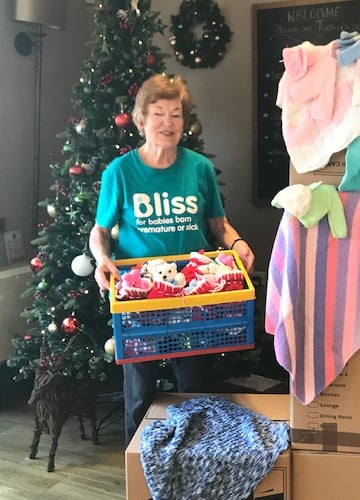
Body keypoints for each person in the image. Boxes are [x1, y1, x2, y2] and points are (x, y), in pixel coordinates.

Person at [89, 73, 255, 445]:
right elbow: (100, 231)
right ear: (141, 120)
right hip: (138, 296)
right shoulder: (120, 172)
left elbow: (218, 224)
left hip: (192, 292)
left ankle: (190, 467)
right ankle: (140, 470)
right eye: (159, 113)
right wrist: (102, 258)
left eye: (176, 114)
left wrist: (238, 243)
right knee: (140, 392)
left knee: (193, 386)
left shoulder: (199, 169)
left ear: (184, 120)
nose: (168, 123)